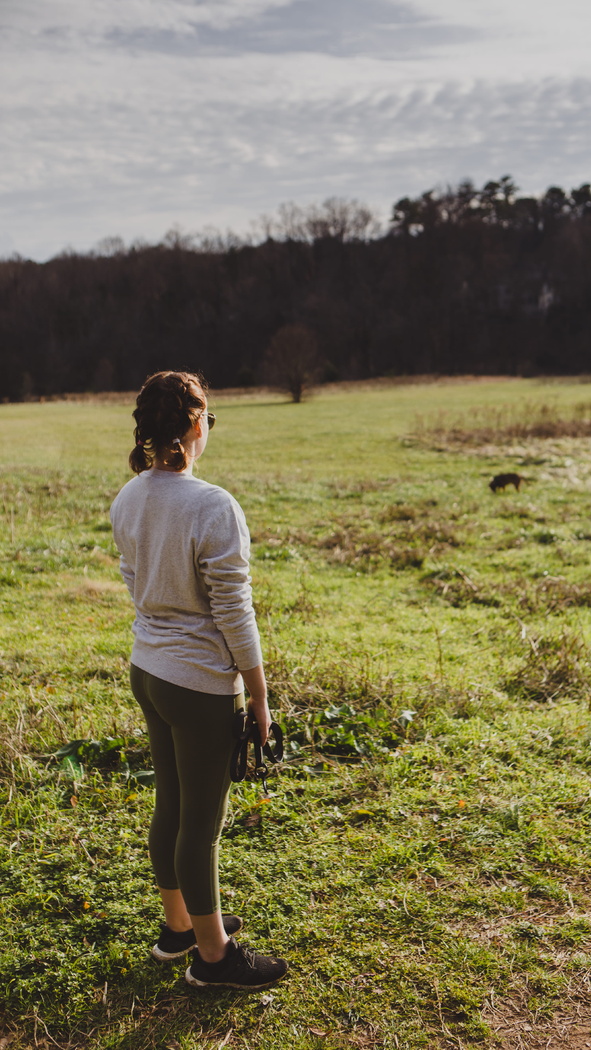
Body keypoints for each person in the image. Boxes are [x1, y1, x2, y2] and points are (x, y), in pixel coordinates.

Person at [110, 370, 288, 990]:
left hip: (148, 671)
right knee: (202, 826)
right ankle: (214, 960)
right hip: (198, 684)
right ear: (191, 425)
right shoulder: (213, 506)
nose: (208, 429)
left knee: (172, 804)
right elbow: (233, 611)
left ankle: (179, 927)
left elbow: (137, 586)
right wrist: (260, 695)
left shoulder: (129, 498)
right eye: (207, 418)